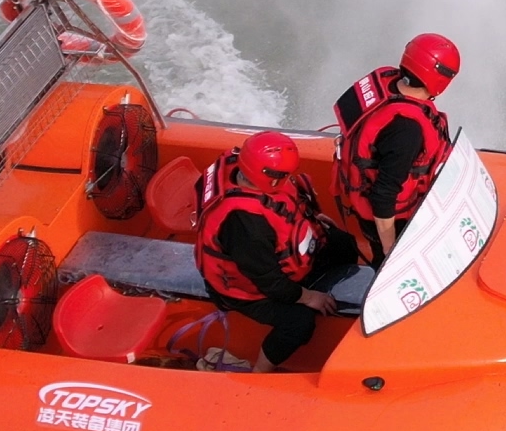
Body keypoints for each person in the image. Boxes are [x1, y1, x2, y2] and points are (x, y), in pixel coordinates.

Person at [190, 129, 355, 370]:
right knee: (298, 322)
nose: (289, 178)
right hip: (248, 289)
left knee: (343, 244)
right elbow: (269, 281)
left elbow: (281, 209)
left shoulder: (245, 172)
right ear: (271, 176)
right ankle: (260, 370)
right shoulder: (245, 224)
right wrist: (309, 297)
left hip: (280, 253)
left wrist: (310, 219)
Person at [331, 32, 461, 262]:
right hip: (388, 221)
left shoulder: (387, 81)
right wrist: (390, 249)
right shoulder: (408, 130)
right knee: (388, 262)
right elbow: (384, 196)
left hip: (364, 197)